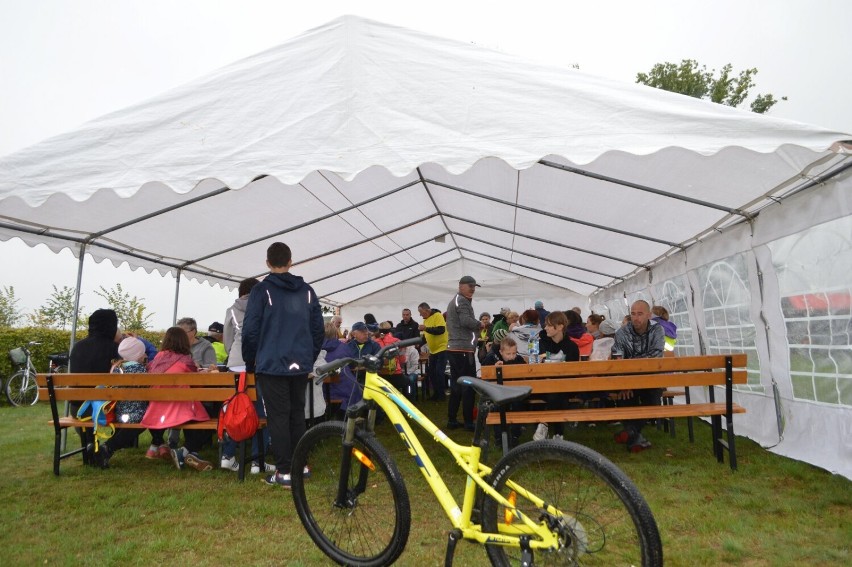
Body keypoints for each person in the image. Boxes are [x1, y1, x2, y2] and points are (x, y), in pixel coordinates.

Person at [242, 242, 324, 488]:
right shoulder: (307, 291)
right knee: (297, 414)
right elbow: (318, 330)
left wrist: (250, 361)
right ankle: (301, 466)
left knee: (278, 417)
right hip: (298, 364)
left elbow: (250, 331)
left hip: (271, 364)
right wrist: (308, 356)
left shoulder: (261, 291)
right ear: (290, 261)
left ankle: (286, 471)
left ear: (267, 263)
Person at [141, 327, 214, 472]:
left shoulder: (157, 359)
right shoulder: (185, 360)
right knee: (207, 417)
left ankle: (189, 453)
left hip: (157, 411)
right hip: (180, 409)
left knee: (196, 412)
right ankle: (187, 451)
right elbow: (197, 383)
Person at [221, 277, 270, 474]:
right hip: (259, 363)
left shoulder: (231, 310)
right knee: (263, 412)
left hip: (235, 364)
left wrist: (234, 355)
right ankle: (258, 461)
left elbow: (227, 340)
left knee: (236, 410)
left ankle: (227, 454)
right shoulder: (266, 307)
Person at [611, 300, 666, 453]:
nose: (636, 318)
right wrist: (626, 382)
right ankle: (635, 437)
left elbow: (656, 356)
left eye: (640, 314)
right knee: (625, 398)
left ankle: (629, 432)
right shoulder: (622, 333)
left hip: (650, 379)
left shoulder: (657, 330)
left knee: (653, 403)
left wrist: (631, 369)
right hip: (627, 379)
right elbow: (617, 360)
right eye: (633, 314)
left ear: (649, 315)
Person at [68, 308, 121, 462]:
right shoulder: (114, 348)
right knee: (131, 405)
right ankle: (108, 447)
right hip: (104, 409)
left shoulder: (77, 347)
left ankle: (90, 442)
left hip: (78, 408)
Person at [94, 337, 149, 468]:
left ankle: (107, 448)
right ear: (138, 355)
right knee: (145, 422)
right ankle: (108, 447)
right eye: (143, 352)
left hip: (119, 412)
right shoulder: (141, 371)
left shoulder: (116, 368)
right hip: (138, 414)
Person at [532, 311, 581, 441]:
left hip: (565, 387)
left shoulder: (571, 346)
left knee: (558, 392)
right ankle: (558, 434)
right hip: (545, 386)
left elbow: (572, 373)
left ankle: (544, 423)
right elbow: (535, 367)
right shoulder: (540, 343)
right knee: (556, 394)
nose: (545, 328)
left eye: (549, 325)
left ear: (560, 327)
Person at [446, 275, 485, 431]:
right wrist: (480, 324)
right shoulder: (461, 301)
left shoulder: (457, 300)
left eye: (474, 286)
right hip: (462, 349)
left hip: (456, 349)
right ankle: (469, 423)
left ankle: (452, 420)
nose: (473, 289)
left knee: (456, 386)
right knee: (468, 387)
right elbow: (466, 321)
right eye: (470, 286)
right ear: (461, 286)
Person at [328, 321, 381, 418]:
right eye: (362, 331)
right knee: (353, 389)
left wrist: (364, 366)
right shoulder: (348, 346)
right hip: (351, 376)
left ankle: (370, 416)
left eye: (366, 331)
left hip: (369, 375)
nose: (366, 333)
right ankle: (352, 415)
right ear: (354, 334)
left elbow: (379, 361)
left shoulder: (374, 345)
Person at [418, 302, 449, 402]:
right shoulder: (426, 320)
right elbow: (426, 336)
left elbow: (441, 330)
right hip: (433, 351)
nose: (420, 315)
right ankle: (436, 393)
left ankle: (441, 395)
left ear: (427, 310)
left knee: (439, 372)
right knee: (431, 372)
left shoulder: (438, 315)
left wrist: (426, 328)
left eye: (421, 312)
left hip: (442, 348)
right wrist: (419, 344)